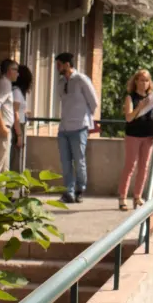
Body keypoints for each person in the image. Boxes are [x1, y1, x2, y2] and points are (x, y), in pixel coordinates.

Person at [55, 52, 99, 205]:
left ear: (67, 65)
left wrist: (85, 118)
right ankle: (69, 191)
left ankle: (80, 190)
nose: (57, 68)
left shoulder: (81, 79)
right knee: (65, 162)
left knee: (79, 161)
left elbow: (94, 102)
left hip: (79, 127)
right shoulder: (61, 82)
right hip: (64, 128)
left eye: (59, 64)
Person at [118, 69, 153, 211]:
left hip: (148, 136)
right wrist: (139, 107)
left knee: (144, 167)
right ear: (136, 81)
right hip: (133, 135)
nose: (144, 83)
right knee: (130, 166)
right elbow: (128, 118)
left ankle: (137, 196)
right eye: (141, 80)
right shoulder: (130, 97)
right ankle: (123, 198)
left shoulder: (151, 97)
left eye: (147, 80)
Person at [11, 65, 32, 172]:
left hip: (18, 126)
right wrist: (19, 134)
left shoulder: (16, 92)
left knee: (15, 158)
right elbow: (15, 113)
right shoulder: (16, 92)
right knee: (14, 160)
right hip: (16, 127)